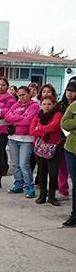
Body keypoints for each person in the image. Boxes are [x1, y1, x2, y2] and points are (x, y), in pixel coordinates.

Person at [4, 86, 39, 198]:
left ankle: (29, 187)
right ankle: (18, 184)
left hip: (26, 139)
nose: (21, 97)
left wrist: (15, 118)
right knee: (15, 164)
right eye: (19, 95)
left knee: (24, 164)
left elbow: (29, 120)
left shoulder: (34, 106)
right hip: (13, 138)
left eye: (24, 94)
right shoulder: (15, 105)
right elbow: (7, 117)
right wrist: (20, 117)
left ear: (29, 94)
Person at [30, 95, 62, 206]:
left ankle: (52, 196)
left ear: (53, 105)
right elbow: (32, 131)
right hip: (40, 148)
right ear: (40, 105)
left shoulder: (57, 115)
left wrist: (40, 129)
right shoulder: (37, 117)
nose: (47, 106)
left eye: (49, 104)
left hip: (54, 148)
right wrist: (43, 130)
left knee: (53, 173)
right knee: (42, 172)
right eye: (44, 104)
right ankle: (42, 195)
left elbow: (54, 127)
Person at [60, 82, 76, 226]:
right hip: (71, 148)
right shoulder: (73, 106)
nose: (70, 93)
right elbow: (65, 123)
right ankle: (74, 215)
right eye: (68, 90)